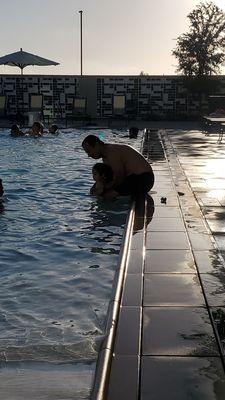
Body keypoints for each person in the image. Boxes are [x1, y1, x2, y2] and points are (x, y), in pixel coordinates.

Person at [82, 135, 154, 201]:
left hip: (143, 179)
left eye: (89, 151)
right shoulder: (106, 155)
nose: (89, 155)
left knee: (108, 196)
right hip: (138, 178)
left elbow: (119, 177)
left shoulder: (111, 152)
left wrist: (106, 189)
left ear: (97, 145)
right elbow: (109, 177)